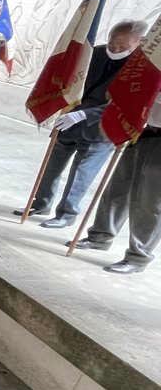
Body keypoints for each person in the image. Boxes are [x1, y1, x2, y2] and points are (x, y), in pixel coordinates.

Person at [15, 20, 146, 227]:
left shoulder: (140, 68)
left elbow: (128, 104)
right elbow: (72, 81)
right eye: (113, 43)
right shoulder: (93, 53)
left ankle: (66, 215)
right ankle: (40, 203)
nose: (116, 49)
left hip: (100, 129)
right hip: (68, 120)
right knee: (51, 166)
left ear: (138, 42)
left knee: (81, 174)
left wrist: (84, 115)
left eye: (123, 47)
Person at [72, 93, 161, 274]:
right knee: (118, 188)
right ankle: (100, 237)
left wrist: (152, 92)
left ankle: (138, 257)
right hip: (143, 129)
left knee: (149, 202)